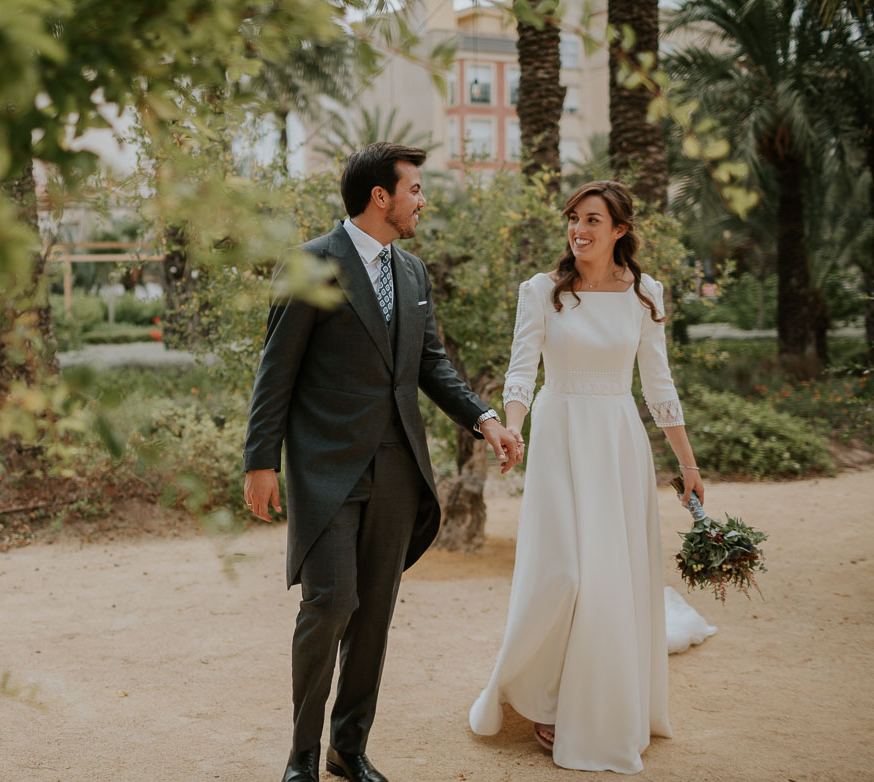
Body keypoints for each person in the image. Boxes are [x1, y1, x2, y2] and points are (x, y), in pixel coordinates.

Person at [243, 142, 521, 782]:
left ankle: (349, 747)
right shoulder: (309, 263)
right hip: (326, 468)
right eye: (416, 189)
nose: (423, 201)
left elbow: (430, 364)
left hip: (399, 467)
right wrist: (262, 460)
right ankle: (302, 756)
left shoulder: (414, 273)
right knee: (330, 604)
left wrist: (484, 419)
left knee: (373, 615)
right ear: (381, 197)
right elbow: (274, 373)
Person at [468, 180, 705, 774]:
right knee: (564, 571)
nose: (579, 230)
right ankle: (542, 695)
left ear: (620, 230)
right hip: (556, 436)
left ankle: (585, 703)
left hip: (618, 441)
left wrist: (688, 465)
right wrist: (513, 427)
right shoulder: (542, 291)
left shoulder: (645, 293)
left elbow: (659, 386)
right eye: (573, 218)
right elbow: (522, 370)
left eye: (593, 220)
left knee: (606, 578)